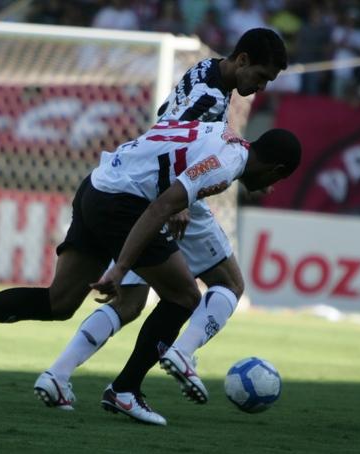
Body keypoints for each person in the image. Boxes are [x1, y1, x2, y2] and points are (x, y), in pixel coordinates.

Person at [0, 119, 300, 419]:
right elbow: (162, 207)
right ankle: (131, 385)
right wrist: (122, 265)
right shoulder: (227, 162)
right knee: (184, 296)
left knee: (59, 302)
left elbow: (168, 129)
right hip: (124, 203)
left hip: (97, 186)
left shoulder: (221, 132)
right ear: (277, 170)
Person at [32, 27, 287, 424]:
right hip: (172, 194)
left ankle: (58, 373)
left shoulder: (205, 71)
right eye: (260, 76)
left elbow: (164, 120)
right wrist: (175, 200)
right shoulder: (210, 96)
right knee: (228, 284)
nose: (260, 86)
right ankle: (170, 361)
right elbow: (177, 134)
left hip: (153, 185)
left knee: (130, 302)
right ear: (241, 60)